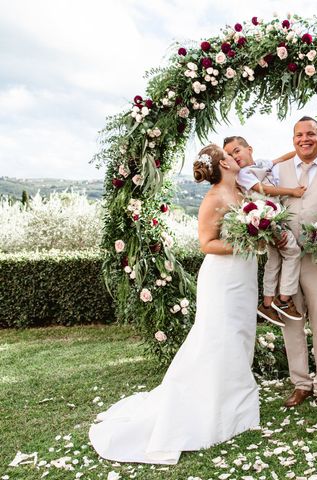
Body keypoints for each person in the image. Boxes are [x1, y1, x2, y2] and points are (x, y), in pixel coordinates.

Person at [89, 144, 259, 464]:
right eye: (229, 155)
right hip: (223, 279)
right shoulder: (213, 199)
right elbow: (207, 244)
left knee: (239, 336)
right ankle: (212, 405)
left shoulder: (241, 193)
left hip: (244, 277)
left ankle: (235, 404)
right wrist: (245, 241)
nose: (236, 158)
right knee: (217, 338)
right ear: (222, 164)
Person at [277, 116, 317, 408]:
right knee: (291, 321)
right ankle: (301, 383)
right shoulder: (279, 170)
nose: (305, 139)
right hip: (286, 258)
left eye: (311, 133)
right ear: (293, 140)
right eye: (299, 134)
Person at [223, 136, 305, 327]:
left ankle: (267, 304)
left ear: (249, 149)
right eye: (228, 154)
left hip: (271, 217)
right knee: (293, 252)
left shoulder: (261, 163)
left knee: (275, 258)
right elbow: (262, 189)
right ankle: (283, 300)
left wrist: (299, 152)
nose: (234, 156)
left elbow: (281, 159)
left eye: (236, 151)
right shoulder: (242, 173)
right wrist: (292, 191)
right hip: (268, 219)